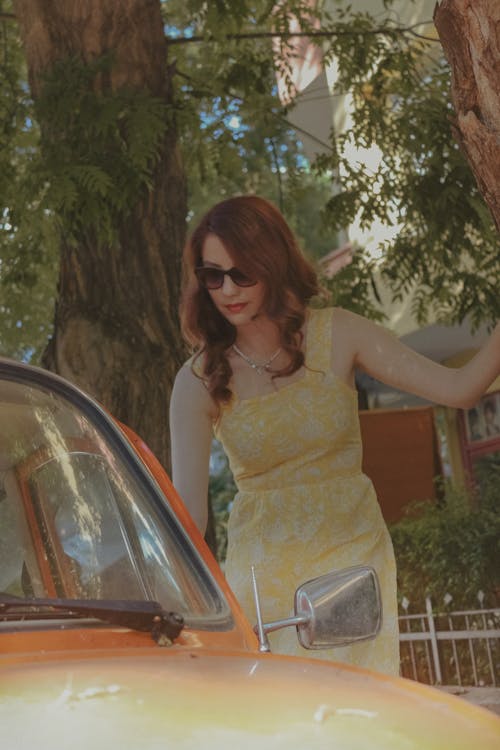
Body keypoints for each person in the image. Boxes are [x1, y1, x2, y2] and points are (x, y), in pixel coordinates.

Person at [169, 194, 500, 676]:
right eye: (212, 275)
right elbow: (188, 521)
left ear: (273, 260)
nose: (227, 289)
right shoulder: (197, 380)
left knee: (358, 715)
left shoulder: (339, 334)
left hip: (351, 563)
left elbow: (460, 388)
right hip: (265, 577)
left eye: (242, 272)